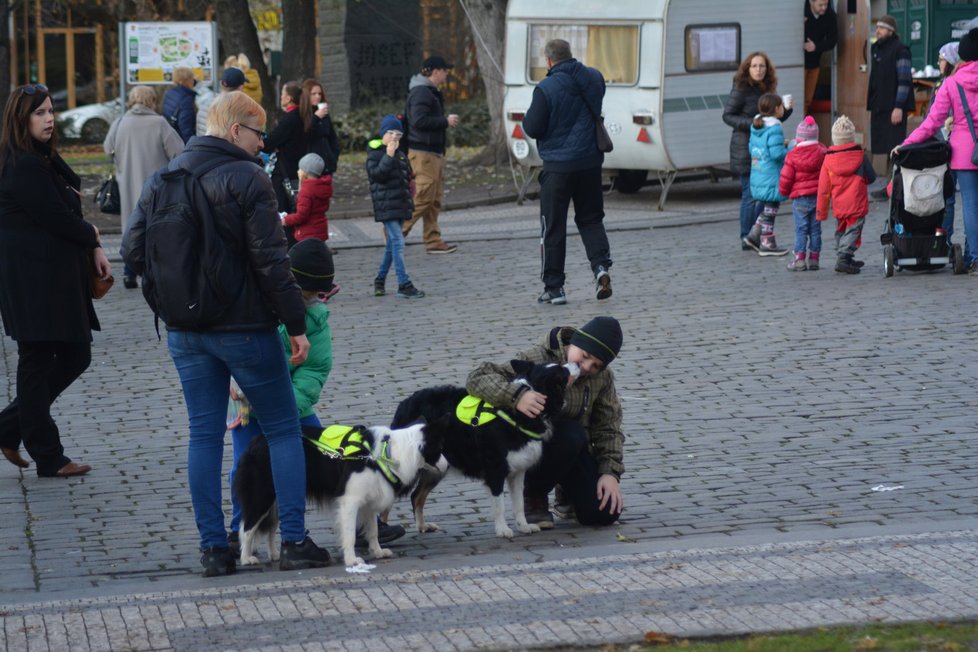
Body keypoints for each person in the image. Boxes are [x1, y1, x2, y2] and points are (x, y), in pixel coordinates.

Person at [121, 91, 331, 577]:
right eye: (259, 134)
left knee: (203, 435)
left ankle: (214, 549)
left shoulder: (163, 177)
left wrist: (170, 303)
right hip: (244, 329)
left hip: (185, 331)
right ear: (236, 130)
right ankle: (295, 541)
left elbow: (133, 250)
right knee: (282, 429)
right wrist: (296, 325)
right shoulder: (247, 178)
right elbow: (272, 262)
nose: (263, 144)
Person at [0, 83, 111, 478]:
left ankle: (10, 427)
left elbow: (66, 207)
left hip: (49, 279)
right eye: (40, 113)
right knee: (39, 360)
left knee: (72, 355)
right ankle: (48, 454)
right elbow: (57, 218)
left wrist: (91, 242)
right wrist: (94, 238)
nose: (49, 119)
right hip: (33, 283)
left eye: (50, 111)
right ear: (21, 118)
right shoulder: (22, 165)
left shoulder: (37, 157)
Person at [227, 238, 337, 551]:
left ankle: (358, 522)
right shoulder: (258, 306)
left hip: (293, 407)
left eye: (315, 294)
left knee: (327, 455)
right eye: (306, 291)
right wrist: (237, 385)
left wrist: (281, 404)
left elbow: (313, 373)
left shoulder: (316, 321)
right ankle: (240, 529)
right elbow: (239, 354)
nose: (310, 298)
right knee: (244, 468)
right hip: (247, 408)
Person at [466, 316, 624, 529]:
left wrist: (609, 473)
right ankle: (533, 494)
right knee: (572, 433)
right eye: (584, 356)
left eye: (595, 365)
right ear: (574, 342)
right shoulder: (538, 357)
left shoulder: (602, 379)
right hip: (531, 443)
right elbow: (477, 377)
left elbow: (608, 427)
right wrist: (516, 395)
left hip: (572, 450)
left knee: (603, 514)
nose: (586, 366)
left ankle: (566, 492)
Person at [522, 39, 614, 305]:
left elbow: (533, 127)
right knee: (591, 219)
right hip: (590, 163)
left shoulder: (546, 88)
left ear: (549, 61)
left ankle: (555, 287)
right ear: (570, 55)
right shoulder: (594, 78)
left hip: (558, 167)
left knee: (553, 225)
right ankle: (601, 268)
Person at [896, 28, 978, 274]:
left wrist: (907, 143)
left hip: (965, 154)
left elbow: (931, 122)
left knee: (971, 207)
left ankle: (975, 256)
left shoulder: (952, 84)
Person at [103, 85, 184, 289]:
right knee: (155, 231)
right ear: (152, 101)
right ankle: (153, 274)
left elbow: (107, 148)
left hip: (127, 185)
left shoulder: (120, 122)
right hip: (157, 188)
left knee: (132, 231)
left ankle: (129, 273)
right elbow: (179, 152)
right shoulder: (159, 123)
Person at [724, 52, 794, 248]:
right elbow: (728, 116)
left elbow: (772, 121)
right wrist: (755, 124)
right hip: (745, 147)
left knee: (763, 195)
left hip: (761, 145)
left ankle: (756, 234)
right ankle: (746, 236)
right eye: (754, 66)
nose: (758, 69)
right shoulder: (741, 88)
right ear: (747, 68)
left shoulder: (767, 88)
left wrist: (786, 111)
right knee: (749, 195)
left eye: (762, 66)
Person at [403, 55, 460, 255]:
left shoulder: (429, 91)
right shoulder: (421, 93)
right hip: (423, 153)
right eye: (445, 71)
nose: (446, 74)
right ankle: (395, 233)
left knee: (434, 199)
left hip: (432, 152)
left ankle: (433, 239)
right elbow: (418, 121)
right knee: (424, 197)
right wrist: (445, 121)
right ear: (435, 71)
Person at [367, 115, 425, 299]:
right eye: (391, 133)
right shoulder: (375, 153)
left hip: (399, 205)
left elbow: (406, 179)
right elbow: (377, 175)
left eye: (398, 134)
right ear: (383, 133)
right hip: (386, 206)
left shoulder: (401, 154)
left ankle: (380, 279)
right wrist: (388, 156)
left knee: (392, 245)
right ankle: (403, 283)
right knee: (398, 242)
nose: (394, 137)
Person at [817, 115, 876, 274]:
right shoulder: (860, 156)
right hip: (856, 203)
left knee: (841, 229)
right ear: (851, 138)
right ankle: (843, 257)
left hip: (839, 204)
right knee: (854, 230)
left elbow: (823, 187)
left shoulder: (828, 159)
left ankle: (845, 257)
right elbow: (872, 178)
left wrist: (821, 212)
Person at [867, 15, 914, 183]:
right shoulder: (877, 49)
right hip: (880, 105)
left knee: (894, 146)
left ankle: (894, 184)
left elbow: (904, 80)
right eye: (877, 27)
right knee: (883, 146)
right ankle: (888, 184)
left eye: (881, 28)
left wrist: (899, 106)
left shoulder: (901, 50)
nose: (877, 31)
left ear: (891, 31)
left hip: (893, 108)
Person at [744, 93, 790, 257]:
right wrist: (790, 148)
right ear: (777, 109)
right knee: (771, 208)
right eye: (781, 107)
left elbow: (752, 149)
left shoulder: (757, 125)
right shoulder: (775, 127)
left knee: (767, 207)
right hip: (771, 174)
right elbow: (777, 154)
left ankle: (753, 235)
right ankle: (767, 243)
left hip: (758, 173)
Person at [779, 116, 828, 271]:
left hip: (800, 199)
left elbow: (786, 178)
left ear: (799, 138)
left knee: (801, 229)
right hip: (818, 197)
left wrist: (783, 192)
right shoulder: (823, 153)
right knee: (815, 229)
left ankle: (799, 259)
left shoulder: (792, 155)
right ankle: (814, 259)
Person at [264, 81, 313, 213]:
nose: (281, 97)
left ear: (289, 98)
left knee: (284, 213)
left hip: (285, 173)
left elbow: (268, 143)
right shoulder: (304, 116)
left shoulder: (290, 120)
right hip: (298, 171)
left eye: (282, 94)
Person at [932, 42, 961, 244]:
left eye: (941, 59)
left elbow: (933, 118)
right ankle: (944, 239)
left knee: (948, 198)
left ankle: (946, 241)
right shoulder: (940, 83)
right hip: (944, 145)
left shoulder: (949, 84)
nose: (939, 63)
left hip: (949, 146)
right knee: (947, 198)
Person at [281, 153, 332, 246]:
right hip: (320, 231)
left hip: (307, 233)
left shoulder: (306, 191)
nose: (298, 171)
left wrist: (285, 220)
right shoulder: (323, 187)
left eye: (300, 169)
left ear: (305, 172)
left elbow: (301, 216)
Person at [803, 0, 838, 115]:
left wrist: (816, 46)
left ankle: (803, 127)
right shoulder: (802, 12)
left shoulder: (830, 15)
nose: (824, 8)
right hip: (798, 62)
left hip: (814, 63)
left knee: (807, 100)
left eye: (826, 4)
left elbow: (833, 40)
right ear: (811, 2)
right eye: (820, 5)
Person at [302, 79, 341, 174]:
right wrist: (316, 117)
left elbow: (332, 137)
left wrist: (334, 156)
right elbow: (304, 134)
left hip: (327, 165)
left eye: (319, 94)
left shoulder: (324, 114)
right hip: (310, 166)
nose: (317, 96)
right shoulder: (302, 114)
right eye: (313, 94)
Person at [197, 67, 246, 137]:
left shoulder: (205, 104)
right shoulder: (238, 110)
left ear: (221, 83)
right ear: (241, 88)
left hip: (202, 146)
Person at [162, 66, 197, 143]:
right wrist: (191, 145)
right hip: (182, 140)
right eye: (191, 79)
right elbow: (185, 126)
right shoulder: (186, 98)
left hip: (171, 136)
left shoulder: (170, 93)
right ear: (186, 81)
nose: (193, 81)